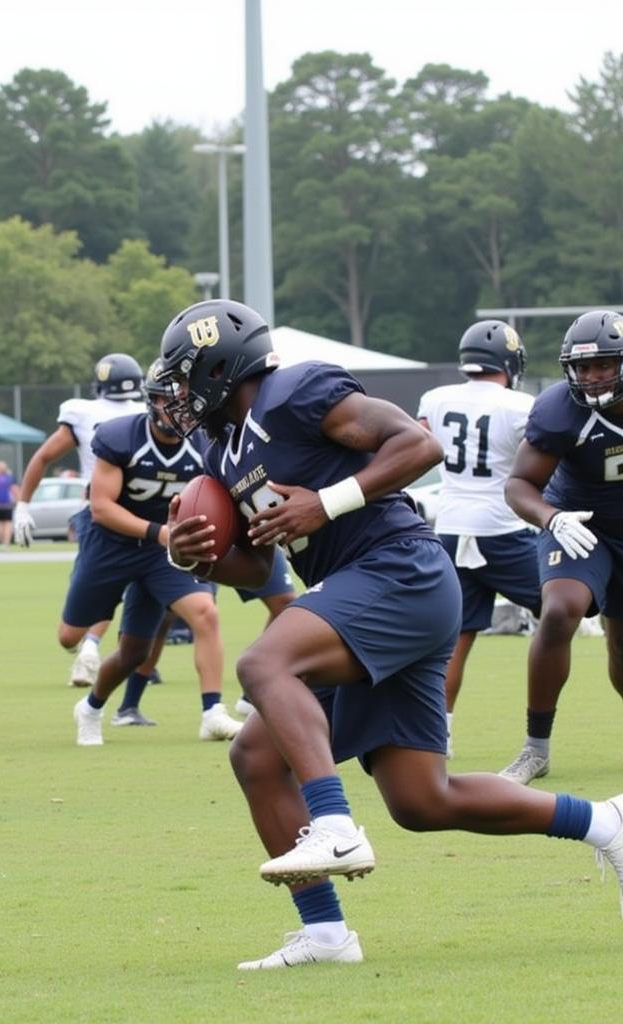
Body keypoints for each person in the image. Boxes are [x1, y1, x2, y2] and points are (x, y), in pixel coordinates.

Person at [159, 299, 623, 969]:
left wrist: (327, 500)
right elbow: (257, 563)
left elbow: (418, 444)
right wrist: (193, 553)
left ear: (218, 366)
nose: (176, 394)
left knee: (264, 665)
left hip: (397, 569)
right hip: (361, 591)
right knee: (406, 795)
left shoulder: (295, 391)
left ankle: (336, 826)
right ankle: (601, 823)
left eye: (183, 376)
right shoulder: (219, 449)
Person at [70, 358, 242, 746]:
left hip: (166, 548)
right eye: (166, 399)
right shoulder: (120, 436)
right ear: (149, 401)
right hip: (112, 545)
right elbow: (101, 506)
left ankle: (212, 711)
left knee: (206, 613)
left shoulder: (205, 440)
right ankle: (91, 704)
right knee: (100, 644)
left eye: (182, 398)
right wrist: (159, 532)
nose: (174, 407)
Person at [500, 309, 623, 784]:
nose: (591, 378)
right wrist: (551, 517)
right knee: (558, 611)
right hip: (579, 523)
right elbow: (519, 485)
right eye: (583, 367)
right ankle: (536, 748)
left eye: (603, 366)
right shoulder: (560, 411)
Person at [416, 320, 541, 758]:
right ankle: (540, 731)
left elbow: (420, 447)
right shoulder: (520, 405)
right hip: (502, 529)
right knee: (571, 607)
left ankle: (439, 734)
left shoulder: (435, 399)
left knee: (456, 638)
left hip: (451, 527)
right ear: (508, 363)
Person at [15, 353, 145, 687]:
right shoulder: (148, 414)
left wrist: (23, 505)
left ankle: (93, 646)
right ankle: (99, 644)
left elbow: (43, 456)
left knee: (102, 583)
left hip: (97, 512)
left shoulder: (84, 413)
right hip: (143, 512)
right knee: (121, 586)